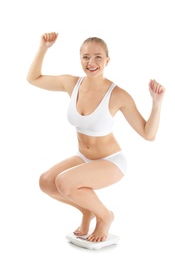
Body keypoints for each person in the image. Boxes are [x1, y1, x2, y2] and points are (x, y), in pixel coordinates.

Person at [26, 32, 166, 243]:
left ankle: (105, 216)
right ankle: (87, 211)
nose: (91, 62)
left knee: (64, 182)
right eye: (86, 57)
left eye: (98, 57)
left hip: (111, 162)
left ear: (107, 60)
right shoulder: (71, 84)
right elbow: (33, 78)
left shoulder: (118, 95)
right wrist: (44, 48)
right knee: (46, 182)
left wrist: (156, 103)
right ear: (80, 59)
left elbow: (149, 134)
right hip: (83, 157)